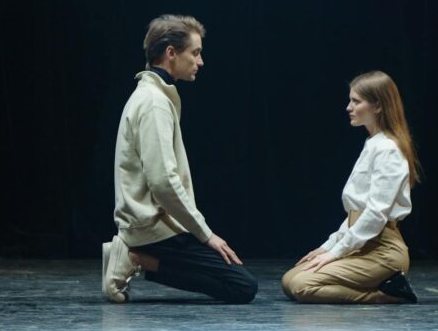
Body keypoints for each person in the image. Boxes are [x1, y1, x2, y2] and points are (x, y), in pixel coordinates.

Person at [103, 15, 257, 304]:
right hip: (153, 228)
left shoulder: (153, 96)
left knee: (236, 281)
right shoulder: (153, 102)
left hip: (152, 225)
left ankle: (136, 256)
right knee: (242, 287)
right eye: (195, 53)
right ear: (171, 53)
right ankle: (135, 257)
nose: (200, 62)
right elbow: (162, 182)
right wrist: (205, 234)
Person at [281, 70, 419, 304]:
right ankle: (381, 287)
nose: (348, 107)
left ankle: (386, 295)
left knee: (301, 285)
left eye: (356, 101)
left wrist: (337, 252)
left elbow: (375, 214)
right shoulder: (373, 144)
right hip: (363, 243)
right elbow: (357, 214)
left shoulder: (388, 149)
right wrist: (328, 246)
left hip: (383, 251)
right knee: (290, 279)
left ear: (377, 106)